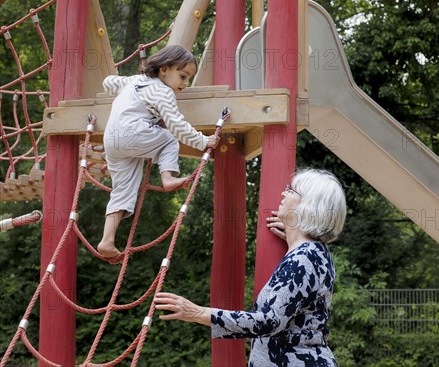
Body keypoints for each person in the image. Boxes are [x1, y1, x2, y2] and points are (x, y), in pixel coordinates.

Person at [155, 168, 347, 366]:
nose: (284, 192)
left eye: (292, 190)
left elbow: (269, 321)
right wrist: (292, 234)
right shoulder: (317, 252)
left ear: (307, 207)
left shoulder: (303, 258)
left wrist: (198, 313)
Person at [97, 45, 218, 259]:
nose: (185, 83)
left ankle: (107, 240)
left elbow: (108, 82)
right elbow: (176, 125)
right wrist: (203, 141)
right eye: (182, 76)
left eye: (188, 78)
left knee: (123, 190)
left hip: (112, 140)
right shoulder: (163, 92)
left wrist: (116, 90)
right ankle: (168, 177)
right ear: (164, 70)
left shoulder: (134, 81)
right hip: (133, 133)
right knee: (169, 140)